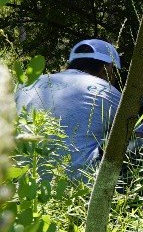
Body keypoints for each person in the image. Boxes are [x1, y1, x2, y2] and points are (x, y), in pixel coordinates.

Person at [15, 39, 122, 179]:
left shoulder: (26, 86)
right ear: (107, 68)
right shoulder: (110, 93)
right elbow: (132, 137)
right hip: (81, 193)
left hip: (23, 187)